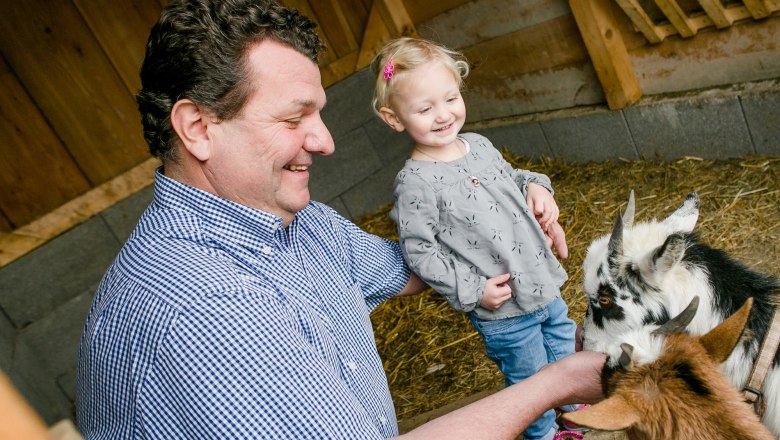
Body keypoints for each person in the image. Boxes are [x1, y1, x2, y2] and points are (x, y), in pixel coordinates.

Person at [75, 1, 605, 439]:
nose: (326, 142)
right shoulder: (209, 311)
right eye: (292, 118)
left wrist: (518, 225)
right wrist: (554, 382)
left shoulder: (306, 227)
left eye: (318, 114)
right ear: (197, 127)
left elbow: (413, 263)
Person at [371, 37, 582, 440]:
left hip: (540, 280)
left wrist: (539, 187)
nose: (443, 115)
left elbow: (514, 179)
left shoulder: (480, 146)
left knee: (564, 349)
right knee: (529, 380)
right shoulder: (415, 183)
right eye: (424, 108)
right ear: (394, 118)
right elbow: (419, 250)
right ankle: (543, 434)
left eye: (450, 99)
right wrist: (472, 289)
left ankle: (574, 412)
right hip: (502, 306)